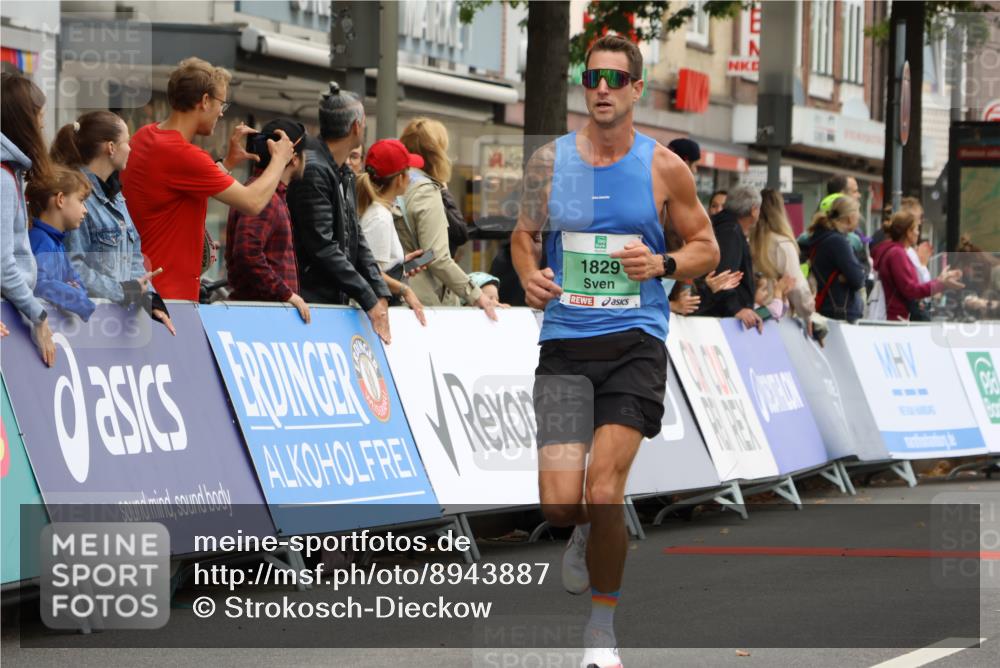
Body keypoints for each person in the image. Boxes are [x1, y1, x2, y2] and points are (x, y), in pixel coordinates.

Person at [511, 35, 718, 667]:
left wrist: (663, 263)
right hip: (565, 344)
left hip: (635, 343)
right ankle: (582, 530)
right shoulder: (548, 161)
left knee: (604, 489)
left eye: (615, 78)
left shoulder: (665, 167)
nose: (602, 88)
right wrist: (529, 276)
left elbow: (706, 246)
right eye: (592, 77)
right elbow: (524, 235)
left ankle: (601, 631)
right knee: (560, 503)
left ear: (636, 88)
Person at [121, 57, 295, 301]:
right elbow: (253, 202)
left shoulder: (144, 136)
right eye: (221, 104)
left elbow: (176, 189)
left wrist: (227, 164)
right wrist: (279, 160)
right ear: (204, 101)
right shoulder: (183, 154)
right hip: (170, 298)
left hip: (144, 291)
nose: (221, 113)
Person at [286, 82, 393, 343]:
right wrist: (368, 297)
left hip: (330, 301)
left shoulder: (341, 170)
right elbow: (322, 246)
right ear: (356, 126)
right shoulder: (314, 170)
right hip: (312, 305)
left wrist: (378, 291)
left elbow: (355, 235)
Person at [50, 110, 175, 334]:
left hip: (117, 327)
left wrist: (148, 296)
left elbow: (133, 256)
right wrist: (122, 291)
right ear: (110, 147)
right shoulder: (75, 196)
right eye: (126, 141)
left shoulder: (116, 195)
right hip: (84, 327)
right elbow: (72, 267)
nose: (130, 148)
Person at [397, 118, 496, 319]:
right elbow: (437, 257)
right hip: (422, 302)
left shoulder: (392, 183)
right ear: (437, 153)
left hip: (392, 294)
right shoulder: (425, 190)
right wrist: (476, 295)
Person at [224, 118, 310, 324]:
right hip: (261, 319)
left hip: (264, 317)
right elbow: (247, 253)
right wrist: (286, 294)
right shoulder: (266, 197)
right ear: (294, 159)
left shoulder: (265, 193)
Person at [1, 72, 56, 366]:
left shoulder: (8, 175)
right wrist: (39, 315)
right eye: (39, 117)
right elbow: (2, 263)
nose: (42, 126)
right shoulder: (2, 179)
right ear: (22, 121)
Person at [356, 138, 429, 326]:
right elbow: (371, 273)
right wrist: (404, 289)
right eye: (408, 171)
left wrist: (399, 264)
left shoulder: (379, 211)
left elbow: (375, 265)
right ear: (399, 179)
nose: (411, 176)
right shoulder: (379, 216)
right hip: (373, 319)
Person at [25, 166, 96, 321]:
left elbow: (78, 283)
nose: (85, 210)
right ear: (61, 199)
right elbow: (39, 284)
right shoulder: (39, 239)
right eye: (81, 201)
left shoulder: (58, 244)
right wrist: (80, 301)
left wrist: (75, 291)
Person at [871, 210, 964, 322]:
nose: (918, 233)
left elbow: (912, 287)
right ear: (908, 232)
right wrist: (941, 283)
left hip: (895, 317)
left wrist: (940, 281)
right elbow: (911, 290)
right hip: (894, 319)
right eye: (916, 229)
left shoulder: (897, 252)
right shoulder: (897, 254)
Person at [696, 184, 763, 332]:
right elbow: (724, 276)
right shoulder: (731, 232)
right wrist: (736, 309)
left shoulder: (725, 227)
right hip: (717, 320)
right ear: (754, 210)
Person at [749, 188, 815, 324]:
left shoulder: (749, 242)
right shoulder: (783, 244)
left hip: (754, 314)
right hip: (777, 314)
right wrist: (808, 311)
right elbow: (796, 285)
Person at [798, 195, 867, 322]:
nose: (858, 219)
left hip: (827, 307)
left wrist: (848, 275)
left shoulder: (821, 236)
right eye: (858, 215)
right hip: (840, 312)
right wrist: (856, 272)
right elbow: (858, 279)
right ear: (850, 218)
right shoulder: (838, 242)